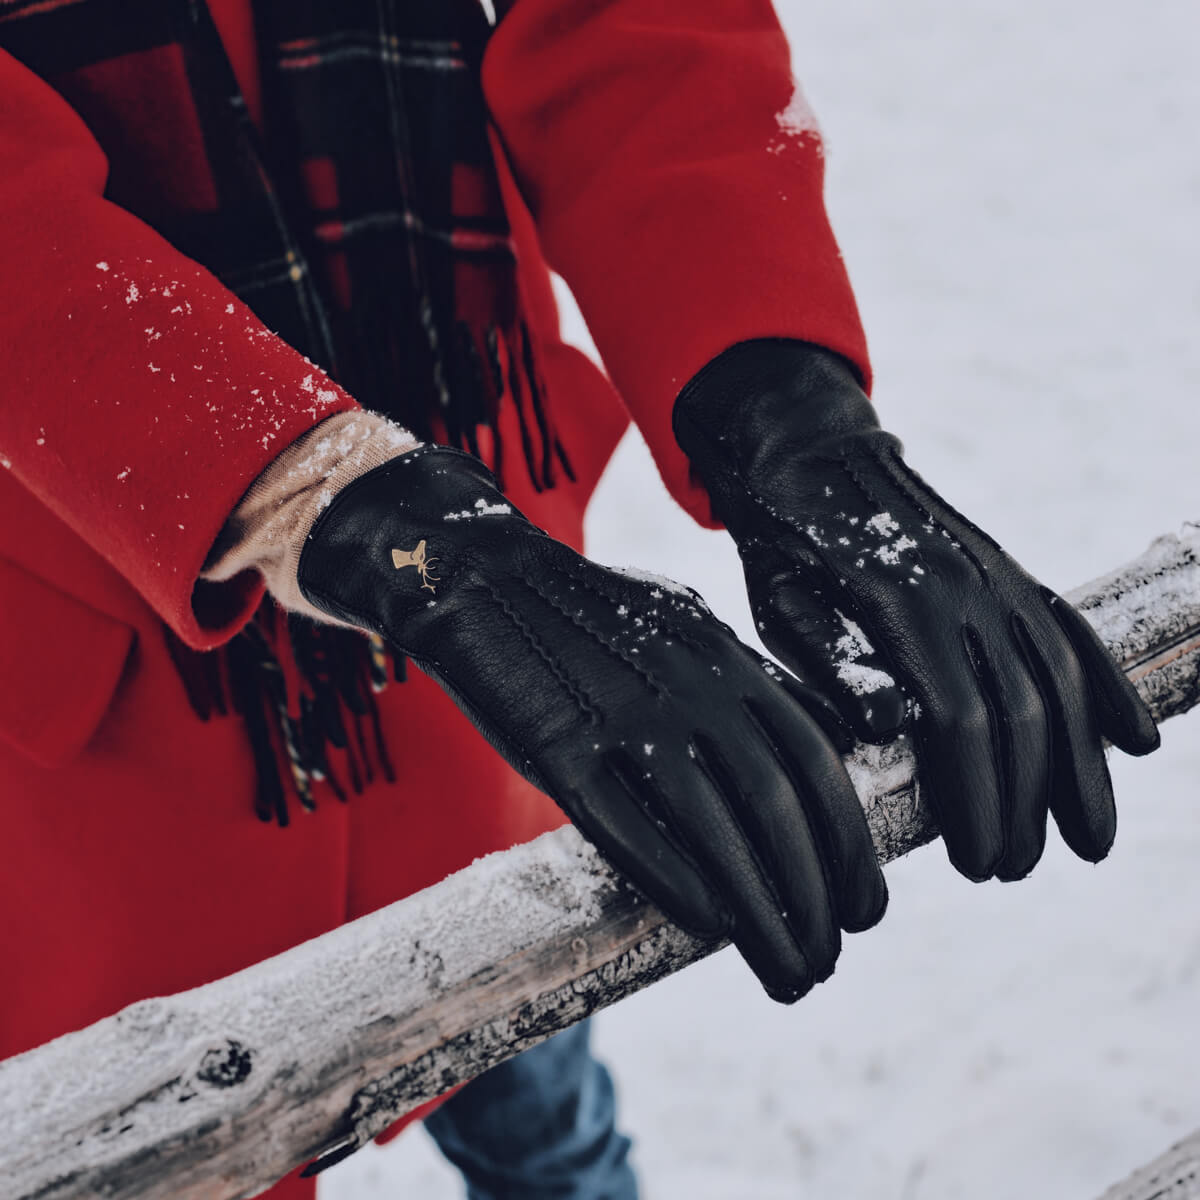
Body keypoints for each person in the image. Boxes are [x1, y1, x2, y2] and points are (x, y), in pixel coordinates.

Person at [0, 1, 1157, 1197]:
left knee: (542, 1116)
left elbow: (634, 23)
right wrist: (335, 505)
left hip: (505, 651)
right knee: (179, 1142)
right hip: (117, 726)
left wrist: (776, 401)